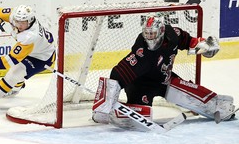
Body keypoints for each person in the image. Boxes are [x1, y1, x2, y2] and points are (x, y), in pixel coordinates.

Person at [92, 14, 235, 125]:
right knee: (139, 118)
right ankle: (111, 112)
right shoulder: (141, 52)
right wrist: (103, 105)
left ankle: (218, 105)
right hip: (141, 85)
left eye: (152, 34)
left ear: (161, 32)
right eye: (147, 34)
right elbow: (118, 75)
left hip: (164, 79)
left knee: (188, 93)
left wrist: (205, 46)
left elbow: (189, 42)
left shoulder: (173, 34)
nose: (149, 37)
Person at [0, 5, 56, 109]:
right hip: (33, 50)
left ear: (30, 21)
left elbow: (11, 60)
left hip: (42, 58)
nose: (18, 25)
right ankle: (16, 87)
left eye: (22, 23)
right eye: (17, 21)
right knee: (18, 73)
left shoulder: (30, 37)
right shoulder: (15, 16)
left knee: (15, 73)